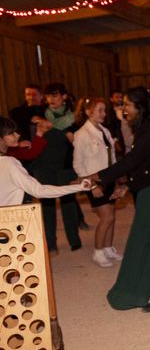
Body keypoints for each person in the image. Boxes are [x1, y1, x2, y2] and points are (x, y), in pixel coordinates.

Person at [87, 86, 150, 312]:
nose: (124, 109)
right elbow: (146, 164)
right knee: (146, 240)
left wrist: (98, 176)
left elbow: (133, 160)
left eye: (127, 104)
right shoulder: (146, 127)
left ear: (139, 107)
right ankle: (144, 287)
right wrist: (128, 187)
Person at [31, 83, 82, 254]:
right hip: (44, 166)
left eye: (55, 95)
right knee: (47, 205)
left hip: (65, 166)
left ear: (64, 97)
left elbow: (79, 141)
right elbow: (22, 116)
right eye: (48, 96)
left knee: (69, 202)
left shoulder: (75, 118)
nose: (51, 99)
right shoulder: (39, 114)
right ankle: (51, 244)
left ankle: (74, 240)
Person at [72, 97, 121, 268]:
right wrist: (92, 186)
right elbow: (78, 165)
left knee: (112, 216)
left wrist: (116, 177)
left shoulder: (105, 131)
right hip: (95, 182)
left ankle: (108, 248)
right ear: (88, 112)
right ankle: (98, 252)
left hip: (109, 178)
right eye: (99, 110)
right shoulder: (81, 135)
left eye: (104, 110)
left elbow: (112, 156)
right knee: (107, 217)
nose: (104, 113)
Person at [0, 117, 90, 206]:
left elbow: (31, 153)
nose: (17, 135)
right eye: (11, 133)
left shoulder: (8, 160)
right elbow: (39, 191)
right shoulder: (9, 163)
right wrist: (80, 186)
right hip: (11, 217)